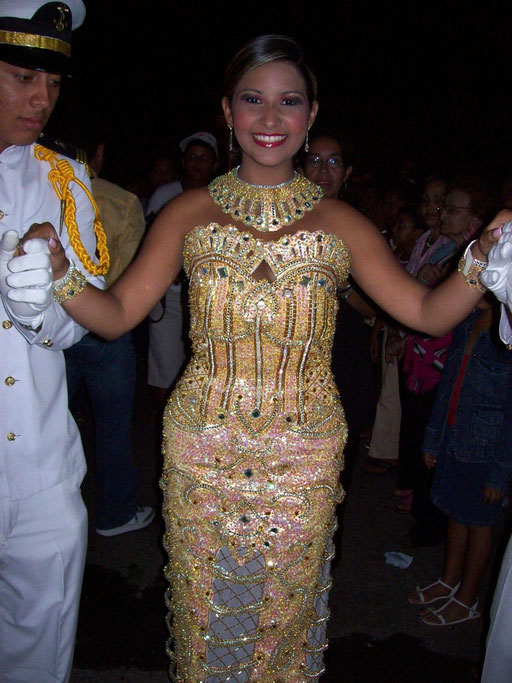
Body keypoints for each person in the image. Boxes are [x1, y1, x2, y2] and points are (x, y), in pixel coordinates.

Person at [10, 34, 509, 682]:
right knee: (207, 620)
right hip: (201, 450)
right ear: (227, 110)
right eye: (253, 99)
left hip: (304, 457)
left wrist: (481, 258)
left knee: (283, 623)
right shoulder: (188, 211)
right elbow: (116, 315)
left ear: (311, 114)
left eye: (289, 101)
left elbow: (427, 312)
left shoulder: (340, 222)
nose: (270, 117)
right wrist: (60, 273)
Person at [0, 1, 106, 680]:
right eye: (22, 77)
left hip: (42, 470)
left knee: (40, 659)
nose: (43, 99)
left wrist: (40, 307)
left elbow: (85, 319)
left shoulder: (64, 180)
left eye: (55, 83)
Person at [64, 134, 155, 536]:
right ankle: (116, 513)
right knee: (112, 426)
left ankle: (50, 510)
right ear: (99, 152)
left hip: (50, 328)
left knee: (50, 421)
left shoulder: (39, 192)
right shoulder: (122, 200)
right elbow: (132, 279)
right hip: (105, 329)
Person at [407, 303, 512, 626]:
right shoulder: (468, 322)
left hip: (486, 446)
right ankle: (449, 580)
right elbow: (448, 384)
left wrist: (500, 473)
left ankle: (467, 599)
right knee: (454, 512)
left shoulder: (507, 333)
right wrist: (434, 438)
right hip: (455, 435)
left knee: (479, 522)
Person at [145, 131, 219, 412]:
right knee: (164, 369)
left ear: (214, 164)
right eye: (192, 157)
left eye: (204, 158)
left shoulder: (223, 199)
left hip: (210, 299)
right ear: (184, 162)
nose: (197, 163)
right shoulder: (164, 196)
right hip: (170, 297)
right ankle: (162, 427)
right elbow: (147, 242)